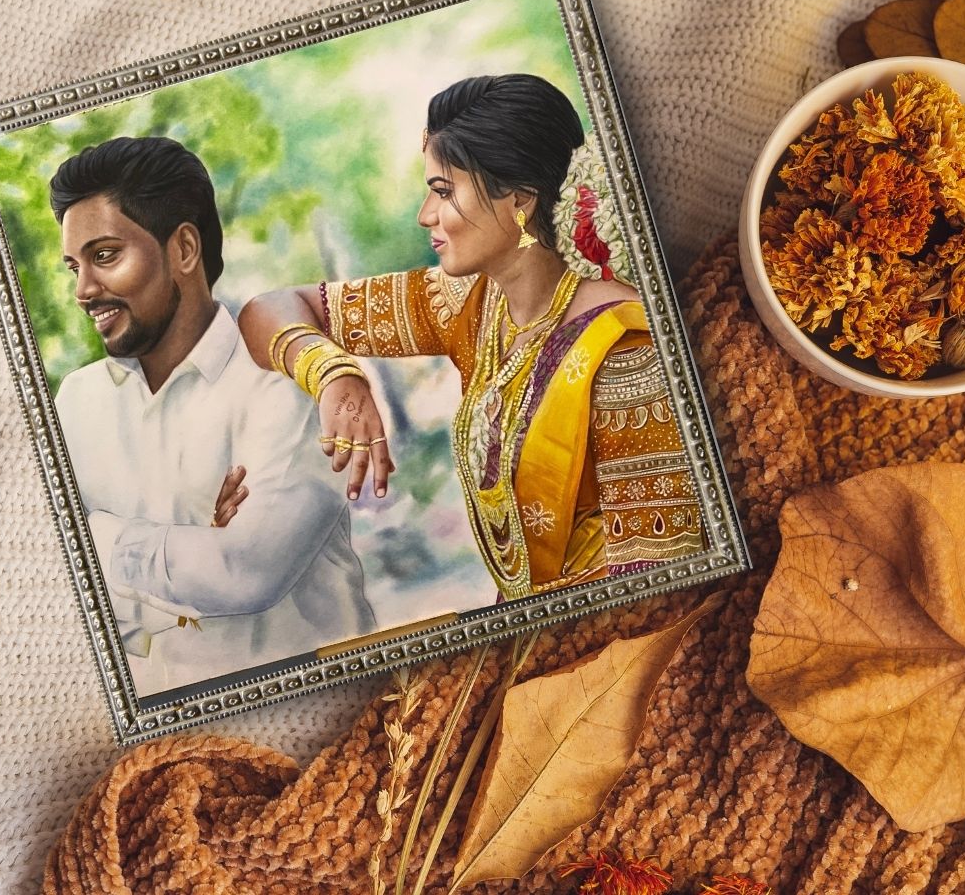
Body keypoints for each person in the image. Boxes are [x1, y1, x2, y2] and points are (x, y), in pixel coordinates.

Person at [239, 74, 705, 603]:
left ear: (520, 201)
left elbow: (661, 586)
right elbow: (268, 310)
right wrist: (333, 375)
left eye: (443, 191)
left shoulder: (624, 350)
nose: (425, 215)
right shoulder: (468, 302)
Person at [51, 136, 374, 697]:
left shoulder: (286, 384)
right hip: (165, 733)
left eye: (104, 256)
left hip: (330, 713)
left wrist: (92, 536)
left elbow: (245, 573)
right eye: (74, 266)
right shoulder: (77, 403)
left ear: (182, 249)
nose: (83, 290)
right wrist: (193, 547)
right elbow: (61, 596)